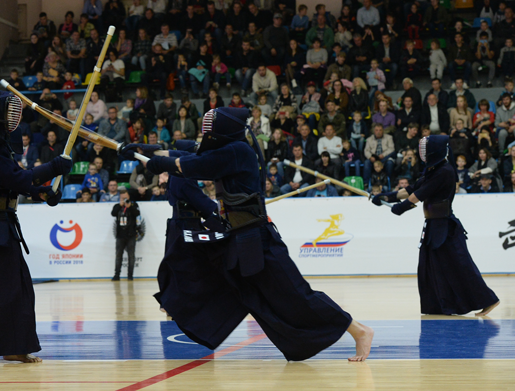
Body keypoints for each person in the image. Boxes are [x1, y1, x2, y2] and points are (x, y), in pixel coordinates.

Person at [145, 107, 374, 361]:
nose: (206, 132)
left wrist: (160, 162)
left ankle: (360, 331)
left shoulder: (237, 151)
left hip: (258, 239)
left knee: (297, 294)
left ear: (222, 129)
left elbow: (195, 164)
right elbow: (189, 153)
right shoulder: (230, 149)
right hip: (239, 239)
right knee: (255, 298)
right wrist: (147, 151)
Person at [0, 89, 71, 363]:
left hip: (1, 223)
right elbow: (16, 178)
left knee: (11, 287)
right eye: (8, 112)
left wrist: (42, 192)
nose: (13, 118)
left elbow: (11, 182)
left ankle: (10, 346)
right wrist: (54, 167)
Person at [373, 135, 499, 316]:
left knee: (461, 265)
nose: (422, 153)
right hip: (433, 226)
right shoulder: (432, 170)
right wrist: (385, 197)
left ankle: (488, 300)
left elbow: (420, 194)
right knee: (430, 266)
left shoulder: (445, 171)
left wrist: (401, 207)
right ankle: (439, 306)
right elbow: (410, 190)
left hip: (446, 228)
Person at [110, 194, 143, 281]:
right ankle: (117, 275)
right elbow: (113, 213)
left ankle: (130, 275)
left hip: (131, 235)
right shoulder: (117, 206)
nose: (124, 200)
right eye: (122, 198)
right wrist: (120, 205)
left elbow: (137, 213)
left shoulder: (134, 205)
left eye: (126, 198)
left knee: (131, 256)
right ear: (120, 198)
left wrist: (130, 207)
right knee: (118, 255)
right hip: (120, 235)